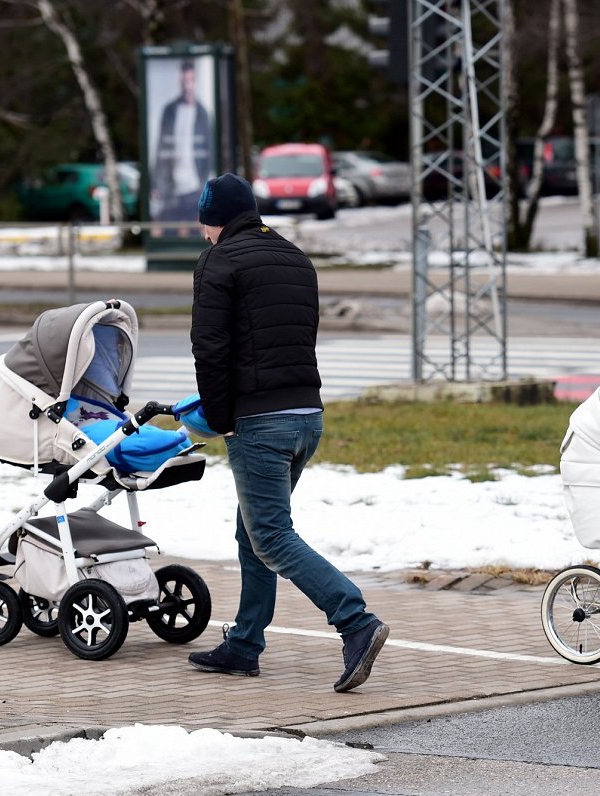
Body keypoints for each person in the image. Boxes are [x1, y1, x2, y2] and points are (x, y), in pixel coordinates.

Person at [186, 173, 390, 693]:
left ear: (215, 221)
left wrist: (219, 415)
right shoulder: (294, 256)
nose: (203, 234)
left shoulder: (220, 260)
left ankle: (355, 621)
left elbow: (209, 348)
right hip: (306, 415)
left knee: (272, 536)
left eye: (204, 224)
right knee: (253, 530)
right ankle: (244, 645)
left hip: (258, 421)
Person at [152, 58, 212, 222]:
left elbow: (209, 152)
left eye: (191, 81)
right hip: (171, 188)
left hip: (195, 188)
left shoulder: (202, 114)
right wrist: (155, 184)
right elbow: (160, 149)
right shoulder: (170, 111)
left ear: (196, 82)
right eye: (184, 81)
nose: (188, 86)